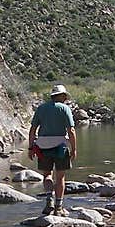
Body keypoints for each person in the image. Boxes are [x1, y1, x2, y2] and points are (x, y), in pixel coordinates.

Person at [28, 83, 78, 215]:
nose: (66, 99)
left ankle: (49, 200)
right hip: (60, 146)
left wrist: (31, 147)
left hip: (43, 146)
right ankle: (59, 207)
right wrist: (74, 149)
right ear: (61, 96)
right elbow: (71, 130)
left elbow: (33, 129)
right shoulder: (65, 109)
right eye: (65, 96)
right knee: (60, 177)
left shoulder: (41, 108)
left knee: (47, 175)